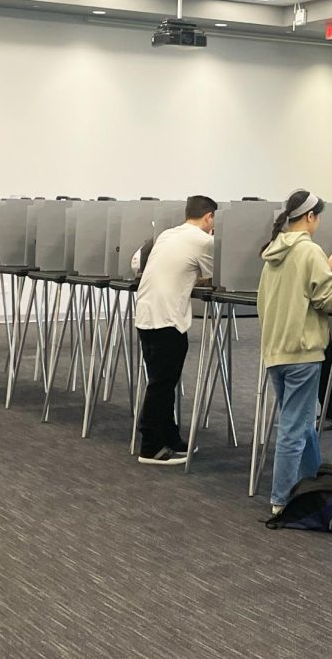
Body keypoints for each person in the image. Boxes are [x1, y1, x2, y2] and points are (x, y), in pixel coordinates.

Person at [257, 190, 332, 515]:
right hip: (302, 352)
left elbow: (268, 300)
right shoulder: (308, 251)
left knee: (301, 424)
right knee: (293, 429)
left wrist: (324, 268)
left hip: (276, 351)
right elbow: (326, 298)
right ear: (310, 217)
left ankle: (311, 484)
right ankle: (281, 500)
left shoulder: (273, 253)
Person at [134, 195, 216, 466]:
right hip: (167, 319)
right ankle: (150, 447)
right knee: (162, 384)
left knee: (162, 381)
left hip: (146, 314)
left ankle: (170, 437)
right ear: (209, 217)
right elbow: (219, 273)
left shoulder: (169, 234)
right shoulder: (203, 241)